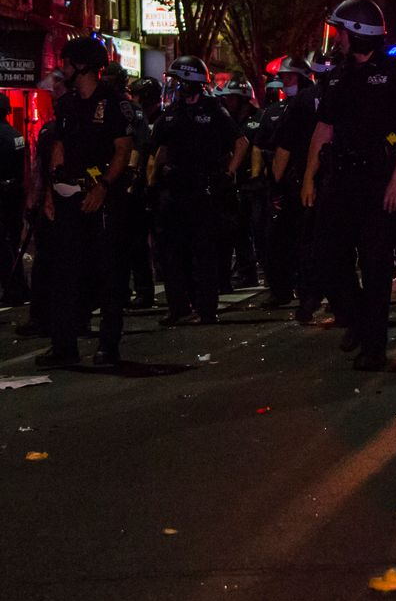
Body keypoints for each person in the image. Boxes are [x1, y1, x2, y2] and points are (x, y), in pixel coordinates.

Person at [301, 0, 396, 369]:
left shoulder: (394, 72)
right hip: (340, 178)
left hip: (378, 180)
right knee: (326, 257)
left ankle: (373, 347)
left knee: (376, 266)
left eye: (340, 31)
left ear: (357, 33)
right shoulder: (337, 74)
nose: (337, 39)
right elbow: (324, 129)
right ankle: (356, 317)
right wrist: (308, 178)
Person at [35, 36, 135, 368]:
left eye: (66, 63)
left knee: (108, 273)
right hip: (70, 196)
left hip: (104, 197)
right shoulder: (67, 105)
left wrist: (104, 186)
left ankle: (108, 345)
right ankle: (64, 344)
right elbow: (59, 149)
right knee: (65, 272)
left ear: (82, 65)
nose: (62, 69)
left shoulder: (114, 103)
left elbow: (122, 150)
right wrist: (50, 192)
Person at [151, 56, 245, 327]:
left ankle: (206, 309)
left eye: (179, 81)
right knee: (172, 253)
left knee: (204, 253)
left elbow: (240, 142)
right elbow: (161, 149)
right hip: (175, 190)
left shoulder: (213, 110)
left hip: (203, 190)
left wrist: (228, 174)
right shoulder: (172, 112)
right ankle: (178, 307)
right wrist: (152, 181)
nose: (176, 86)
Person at [15, 71, 67, 338]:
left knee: (46, 263)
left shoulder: (54, 130)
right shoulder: (58, 127)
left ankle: (43, 318)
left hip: (54, 202)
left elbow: (41, 171)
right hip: (60, 201)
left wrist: (35, 199)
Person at [263, 56, 316, 308]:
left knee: (289, 240)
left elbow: (283, 148)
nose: (285, 82)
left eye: (289, 77)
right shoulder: (320, 100)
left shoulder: (297, 105)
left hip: (298, 183)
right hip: (315, 180)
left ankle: (296, 292)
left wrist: (275, 184)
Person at [217, 77, 262, 291]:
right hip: (235, 183)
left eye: (231, 98)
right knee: (238, 230)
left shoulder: (258, 120)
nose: (227, 101)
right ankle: (246, 270)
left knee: (258, 230)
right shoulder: (229, 122)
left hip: (254, 183)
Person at [127, 78, 164, 308]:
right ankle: (144, 289)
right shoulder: (137, 120)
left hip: (157, 187)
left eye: (137, 96)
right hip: (141, 186)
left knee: (160, 239)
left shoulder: (161, 120)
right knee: (137, 241)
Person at [0, 91, 29, 306]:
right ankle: (21, 287)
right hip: (15, 192)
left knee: (3, 244)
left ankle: (13, 289)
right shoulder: (16, 134)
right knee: (13, 242)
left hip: (2, 194)